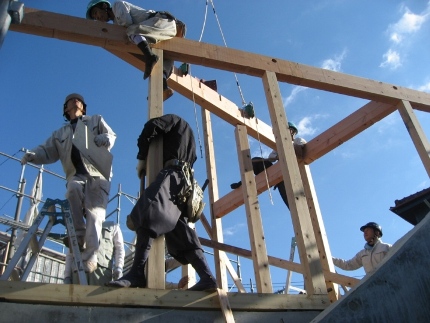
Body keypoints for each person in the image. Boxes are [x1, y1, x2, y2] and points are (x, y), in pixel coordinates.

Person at [106, 114, 217, 292]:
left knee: (149, 208)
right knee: (178, 229)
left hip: (174, 173)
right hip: (185, 184)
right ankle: (207, 277)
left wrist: (142, 156)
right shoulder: (189, 140)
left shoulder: (174, 120)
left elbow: (152, 126)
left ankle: (136, 273)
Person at [21, 93, 116, 274]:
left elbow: (111, 134)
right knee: (72, 190)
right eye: (71, 100)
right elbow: (46, 150)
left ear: (83, 106)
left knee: (95, 215)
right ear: (66, 109)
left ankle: (91, 255)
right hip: (76, 175)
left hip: (98, 174)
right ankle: (78, 238)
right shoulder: (60, 134)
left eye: (79, 99)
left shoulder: (95, 120)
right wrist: (33, 155)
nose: (76, 101)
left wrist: (106, 139)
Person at [86, 0, 177, 101]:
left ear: (103, 6)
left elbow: (127, 23)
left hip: (163, 22)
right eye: (94, 18)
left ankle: (149, 57)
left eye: (95, 13)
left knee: (130, 30)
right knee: (164, 60)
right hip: (163, 30)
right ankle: (164, 88)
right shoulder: (116, 23)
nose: (97, 18)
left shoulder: (117, 6)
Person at [230, 121, 307, 209]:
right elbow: (271, 156)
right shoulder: (278, 147)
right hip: (280, 175)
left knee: (295, 206)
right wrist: (278, 155)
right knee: (255, 161)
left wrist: (285, 153)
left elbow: (300, 151)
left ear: (292, 131)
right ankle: (243, 182)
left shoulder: (298, 140)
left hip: (292, 173)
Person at [64, 221, 125, 285]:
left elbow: (119, 249)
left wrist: (118, 268)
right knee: (78, 294)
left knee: (98, 294)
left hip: (101, 272)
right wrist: (67, 276)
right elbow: (70, 253)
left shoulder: (112, 226)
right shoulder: (81, 227)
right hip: (78, 270)